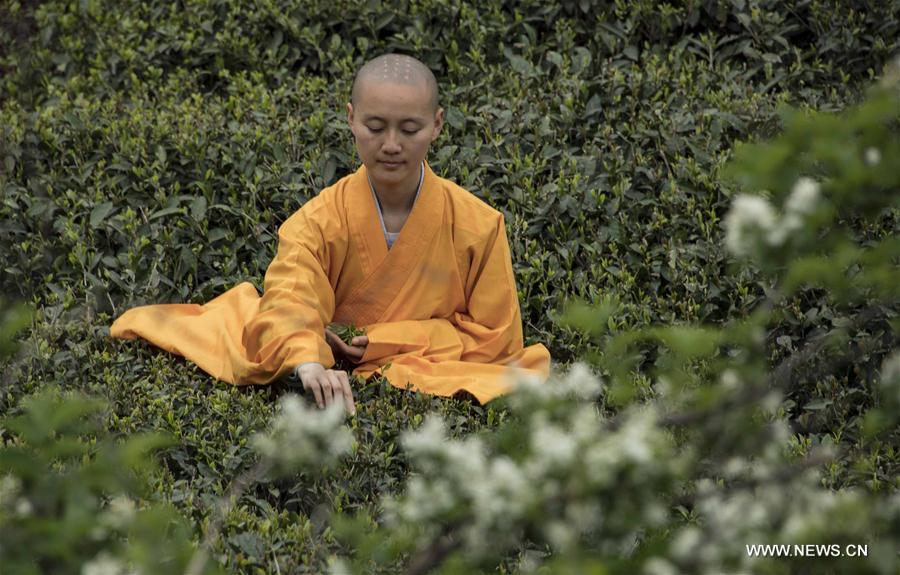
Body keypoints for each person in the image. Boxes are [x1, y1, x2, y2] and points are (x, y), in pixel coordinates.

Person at [111, 54, 551, 415]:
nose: (391, 144)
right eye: (375, 127)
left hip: (423, 360)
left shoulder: (479, 225)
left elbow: (496, 339)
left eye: (410, 129)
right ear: (351, 119)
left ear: (437, 125)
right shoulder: (318, 221)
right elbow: (290, 296)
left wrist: (386, 342)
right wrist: (307, 361)